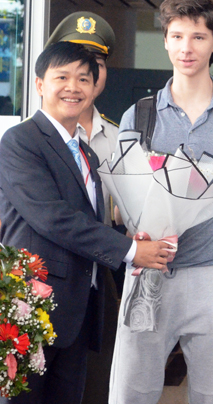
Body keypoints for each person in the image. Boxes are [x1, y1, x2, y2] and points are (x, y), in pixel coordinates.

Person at [108, 1, 213, 403]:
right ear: (165, 41)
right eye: (177, 36)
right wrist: (137, 229)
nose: (187, 47)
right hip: (150, 273)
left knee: (212, 398)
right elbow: (121, 201)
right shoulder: (140, 116)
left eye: (198, 37)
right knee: (130, 395)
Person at [0, 42, 169, 404]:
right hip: (31, 307)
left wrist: (125, 236)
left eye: (83, 79)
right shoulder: (20, 141)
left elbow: (89, 219)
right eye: (61, 77)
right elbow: (52, 216)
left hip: (78, 309)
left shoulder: (87, 152)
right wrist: (130, 250)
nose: (72, 87)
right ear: (40, 84)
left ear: (95, 88)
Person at [45, 12, 124, 403]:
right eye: (72, 65)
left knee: (96, 383)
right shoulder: (31, 139)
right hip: (48, 276)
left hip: (104, 278)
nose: (82, 76)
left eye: (95, 65)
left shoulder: (124, 138)